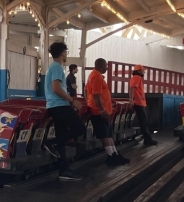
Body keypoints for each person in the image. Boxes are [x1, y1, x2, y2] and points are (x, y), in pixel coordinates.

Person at [43, 42, 85, 181]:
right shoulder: (57, 67)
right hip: (59, 105)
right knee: (80, 128)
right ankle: (53, 143)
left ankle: (63, 169)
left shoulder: (52, 67)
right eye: (66, 52)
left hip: (54, 106)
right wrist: (72, 100)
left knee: (62, 136)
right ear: (62, 53)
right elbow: (56, 88)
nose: (66, 55)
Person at [86, 58, 129, 167]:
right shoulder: (96, 76)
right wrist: (102, 110)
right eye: (106, 65)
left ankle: (114, 154)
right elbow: (96, 95)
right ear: (100, 65)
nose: (107, 67)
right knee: (104, 134)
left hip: (103, 110)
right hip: (99, 111)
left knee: (108, 134)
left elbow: (87, 91)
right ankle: (111, 156)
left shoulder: (96, 75)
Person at [129, 65, 157, 147]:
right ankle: (148, 140)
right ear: (138, 71)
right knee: (143, 122)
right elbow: (132, 88)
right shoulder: (137, 77)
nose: (144, 72)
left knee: (143, 121)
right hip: (139, 102)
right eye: (142, 70)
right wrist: (131, 99)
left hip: (140, 102)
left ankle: (147, 139)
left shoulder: (137, 78)